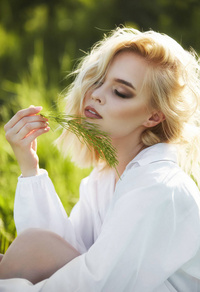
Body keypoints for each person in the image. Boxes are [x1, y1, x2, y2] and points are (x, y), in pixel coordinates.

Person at [0, 26, 200, 292]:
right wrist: (29, 163)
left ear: (153, 117)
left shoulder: (159, 186)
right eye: (98, 81)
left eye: (120, 92)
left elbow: (98, 285)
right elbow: (55, 250)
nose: (95, 94)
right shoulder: (106, 176)